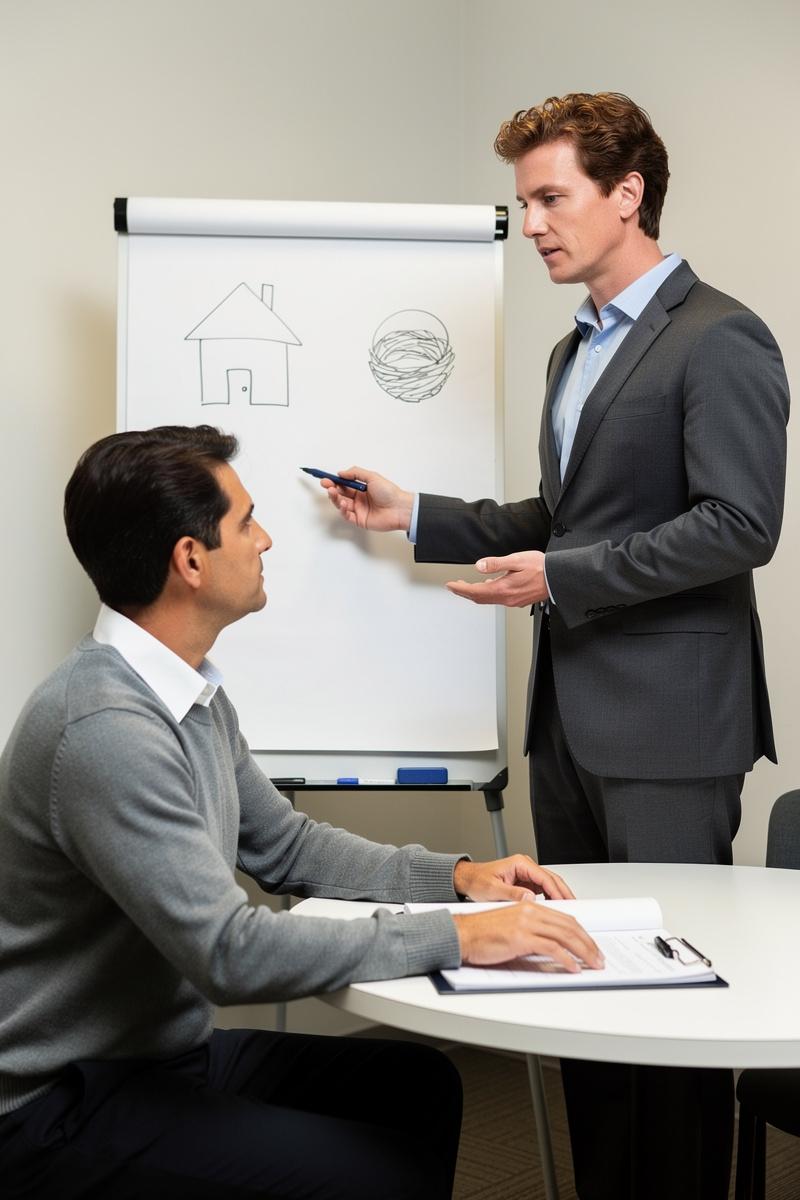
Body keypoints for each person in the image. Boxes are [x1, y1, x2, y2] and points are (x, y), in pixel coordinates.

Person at [321, 93, 790, 1200]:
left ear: (625, 194)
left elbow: (740, 526)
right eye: (520, 201)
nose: (529, 222)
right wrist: (416, 513)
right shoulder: (570, 350)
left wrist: (564, 578)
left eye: (549, 197)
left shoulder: (719, 336)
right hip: (567, 726)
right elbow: (568, 518)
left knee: (669, 1003)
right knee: (572, 984)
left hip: (669, 729)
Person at [0, 424, 602, 1200]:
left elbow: (285, 847)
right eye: (246, 523)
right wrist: (460, 937)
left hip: (158, 1059)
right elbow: (229, 952)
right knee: (370, 1174)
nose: (268, 539)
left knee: (420, 1086)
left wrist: (456, 878)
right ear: (189, 560)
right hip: (61, 1105)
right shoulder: (105, 727)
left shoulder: (187, 692)